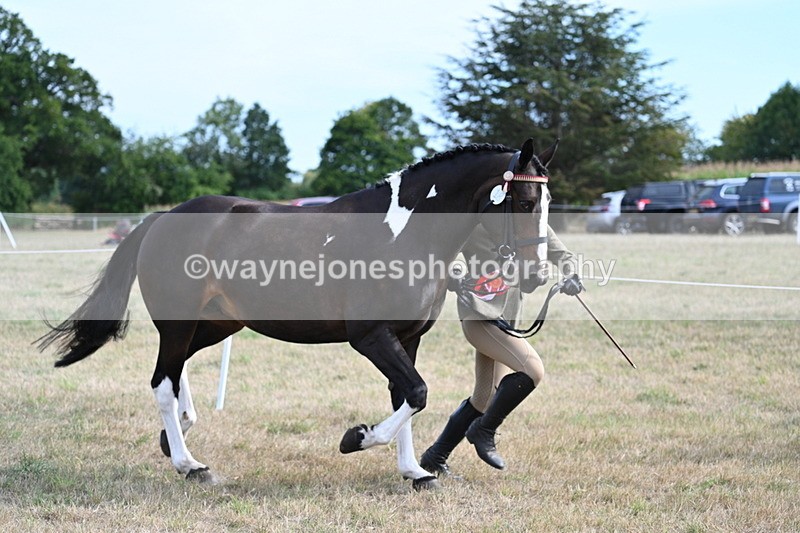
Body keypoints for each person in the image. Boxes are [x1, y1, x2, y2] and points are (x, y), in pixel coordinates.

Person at [420, 223, 583, 474]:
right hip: (479, 314)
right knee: (532, 370)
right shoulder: (476, 218)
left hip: (506, 319)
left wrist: (572, 275)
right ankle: (484, 431)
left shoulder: (529, 221)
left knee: (484, 398)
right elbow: (442, 253)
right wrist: (456, 274)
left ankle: (435, 457)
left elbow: (563, 255)